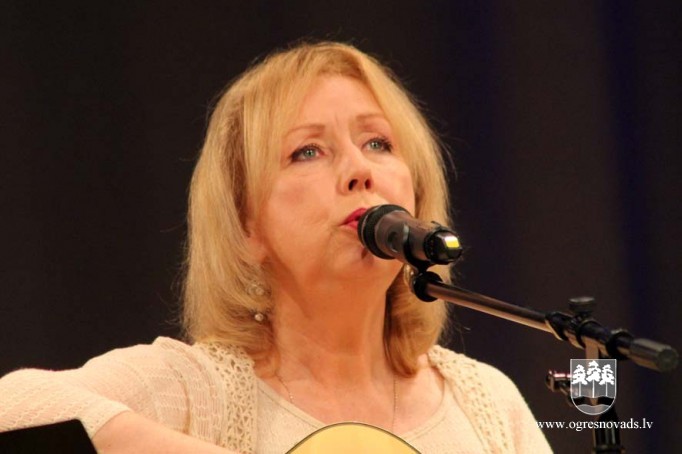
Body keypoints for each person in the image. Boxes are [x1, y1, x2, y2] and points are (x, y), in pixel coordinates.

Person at [0, 41, 551, 453]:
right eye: (308, 151)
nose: (359, 169)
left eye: (377, 142)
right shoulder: (200, 391)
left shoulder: (486, 401)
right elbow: (15, 404)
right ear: (246, 227)